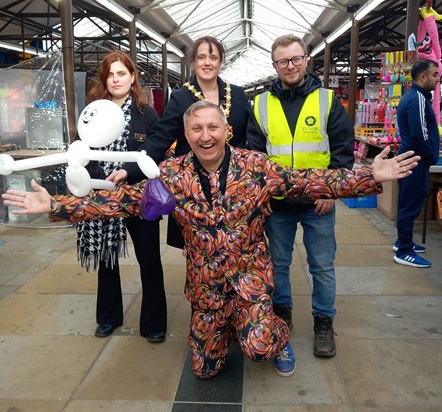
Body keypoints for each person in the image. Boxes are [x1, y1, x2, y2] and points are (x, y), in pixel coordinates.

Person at [2, 101, 419, 380]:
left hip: (250, 280)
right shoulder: (171, 175)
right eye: (197, 128)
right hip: (206, 287)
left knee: (257, 347)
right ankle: (225, 329)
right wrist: (55, 206)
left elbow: (307, 180)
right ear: (186, 133)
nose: (206, 135)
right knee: (203, 369)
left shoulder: (257, 167)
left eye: (213, 127)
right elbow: (122, 203)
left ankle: (272, 331)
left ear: (227, 131)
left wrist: (369, 175)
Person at [247, 34, 355, 359]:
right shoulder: (261, 104)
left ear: (306, 60)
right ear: (274, 65)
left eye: (296, 59)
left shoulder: (327, 100)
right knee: (278, 264)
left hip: (317, 203)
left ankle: (323, 322)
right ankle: (282, 314)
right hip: (278, 204)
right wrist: (263, 191)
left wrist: (331, 190)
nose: (290, 65)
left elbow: (343, 149)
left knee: (321, 266)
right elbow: (253, 153)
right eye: (283, 61)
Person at [108, 36, 252, 248]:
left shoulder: (238, 95)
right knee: (199, 247)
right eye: (201, 57)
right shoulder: (181, 96)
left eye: (213, 57)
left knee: (236, 241)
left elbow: (252, 138)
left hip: (233, 183)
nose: (207, 62)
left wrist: (255, 179)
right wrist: (129, 169)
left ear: (221, 61)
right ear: (193, 61)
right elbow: (160, 137)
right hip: (195, 184)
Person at [79, 51, 167, 342]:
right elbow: (82, 149)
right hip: (102, 194)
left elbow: (155, 151)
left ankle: (153, 324)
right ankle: (108, 317)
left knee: (149, 259)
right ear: (104, 79)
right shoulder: (93, 112)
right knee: (107, 258)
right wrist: (97, 179)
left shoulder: (146, 113)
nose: (115, 79)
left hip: (137, 196)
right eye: (110, 74)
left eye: (121, 74)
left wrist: (128, 172)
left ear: (132, 78)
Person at [393, 58, 440, 268]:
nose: (437, 80)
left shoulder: (414, 97)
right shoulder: (418, 99)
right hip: (414, 160)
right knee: (410, 205)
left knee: (408, 202)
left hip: (412, 158)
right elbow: (419, 133)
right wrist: (431, 156)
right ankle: (404, 250)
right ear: (423, 76)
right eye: (435, 75)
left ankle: (403, 242)